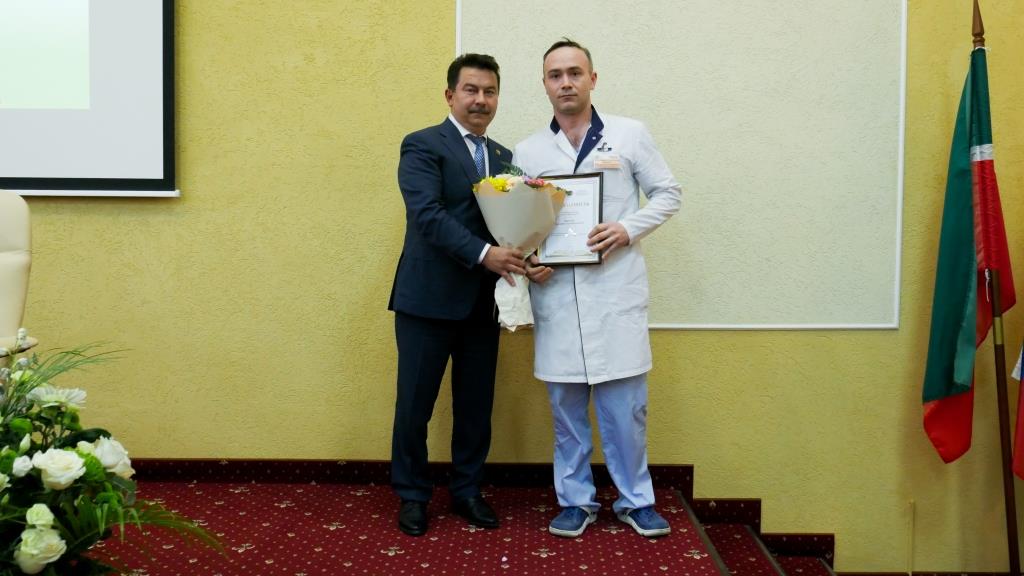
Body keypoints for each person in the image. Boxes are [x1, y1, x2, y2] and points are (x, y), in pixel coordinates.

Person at [515, 39, 682, 538]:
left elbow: (668, 192)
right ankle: (575, 502)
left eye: (574, 72)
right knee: (566, 412)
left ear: (592, 79)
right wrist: (529, 257)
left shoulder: (630, 135)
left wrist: (627, 228)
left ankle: (637, 500)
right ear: (545, 85)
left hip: (615, 294)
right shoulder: (529, 151)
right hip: (557, 297)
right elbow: (520, 223)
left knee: (626, 410)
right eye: (555, 75)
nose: (565, 82)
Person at [388, 53, 526, 537]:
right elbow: (427, 215)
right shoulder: (422, 145)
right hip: (426, 300)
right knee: (414, 407)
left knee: (475, 407)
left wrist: (528, 254)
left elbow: (513, 224)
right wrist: (486, 254)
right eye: (471, 89)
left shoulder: (505, 158)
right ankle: (412, 495)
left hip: (483, 304)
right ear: (450, 95)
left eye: (490, 91)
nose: (480, 99)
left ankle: (467, 490)